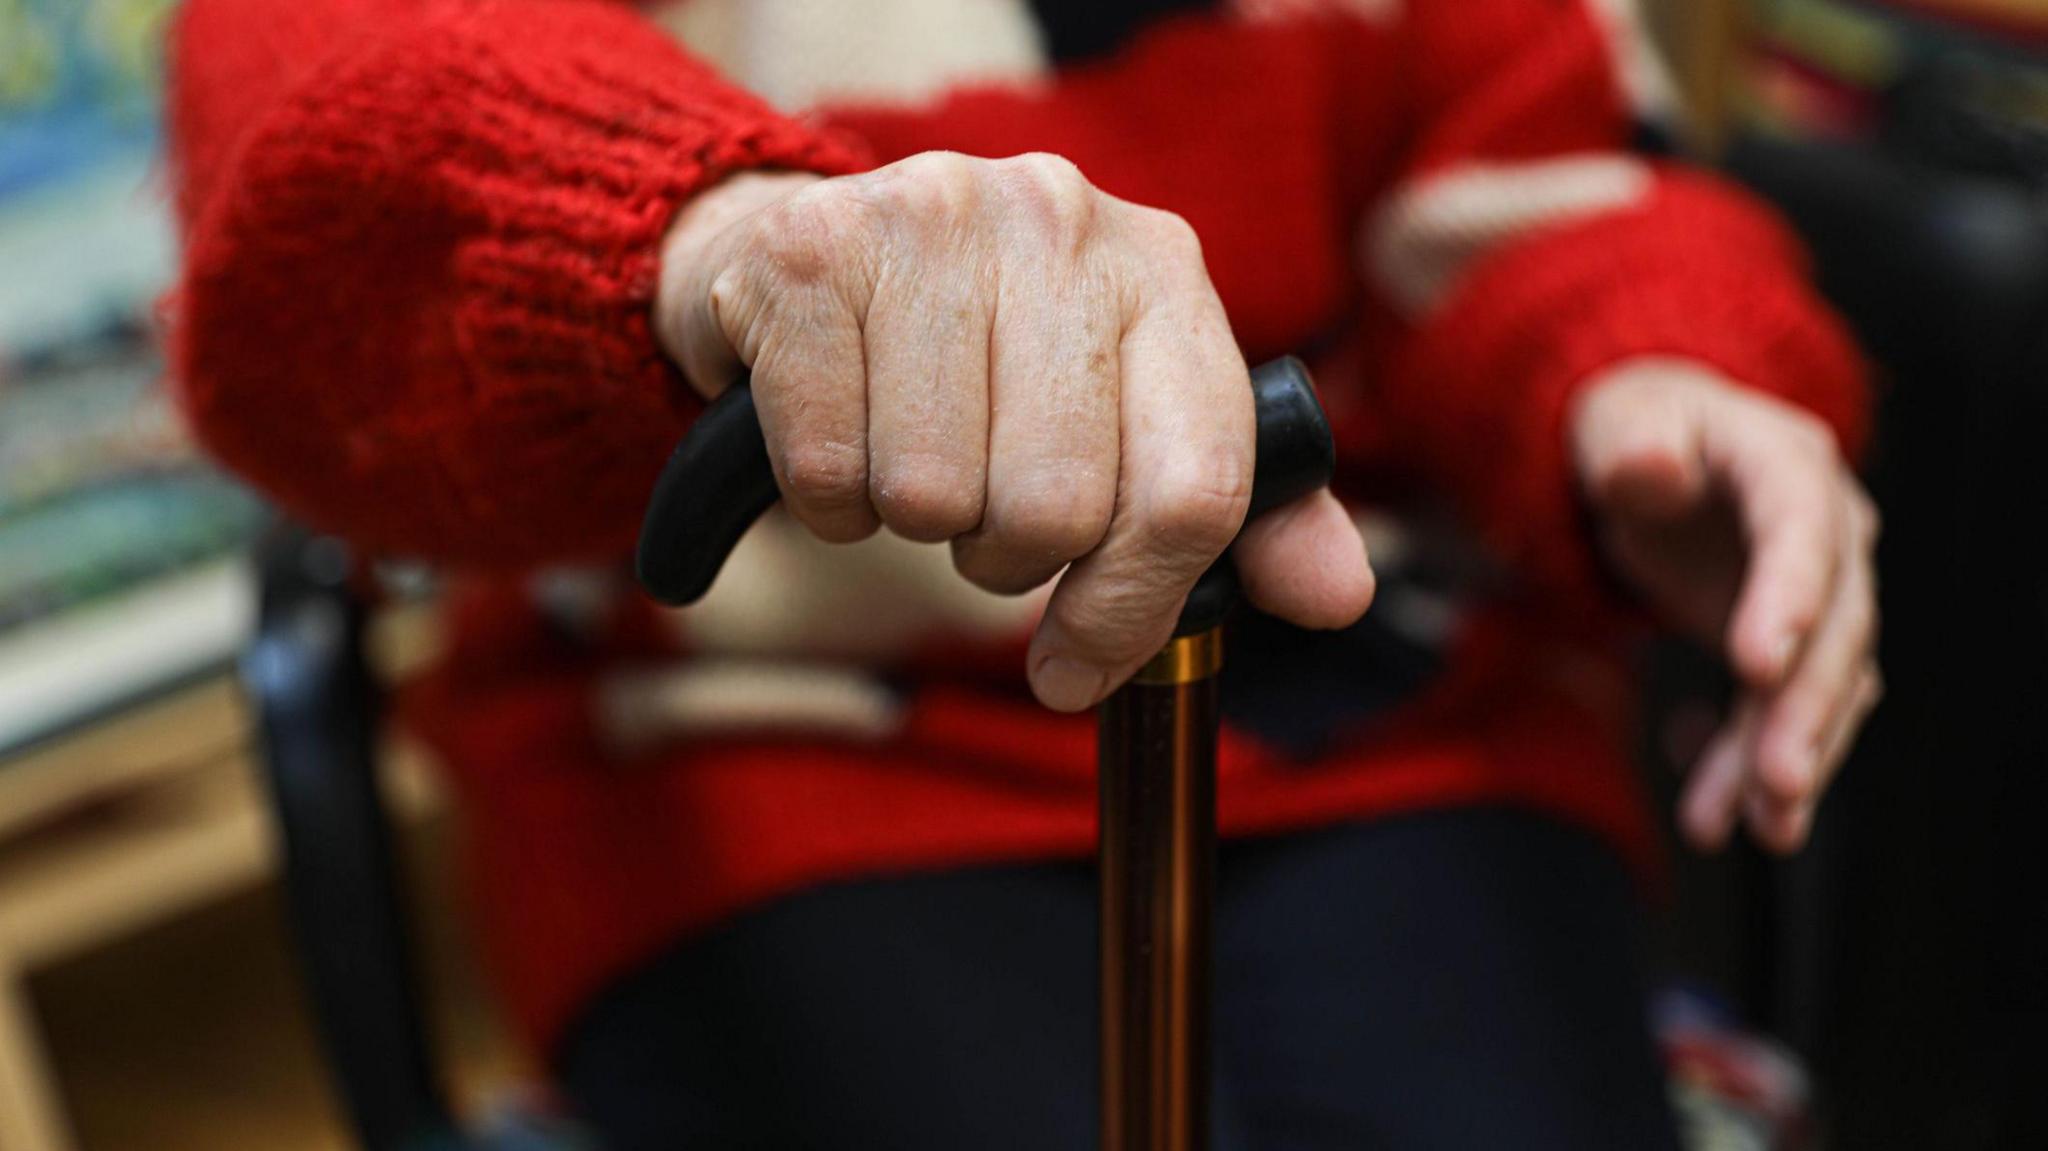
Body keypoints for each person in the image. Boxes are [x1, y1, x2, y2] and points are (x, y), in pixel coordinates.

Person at [166, 0, 1881, 1146]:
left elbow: (1543, 175)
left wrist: (1642, 362)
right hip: (764, 763)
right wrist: (704, 233)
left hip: (1384, 723)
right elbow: (318, 132)